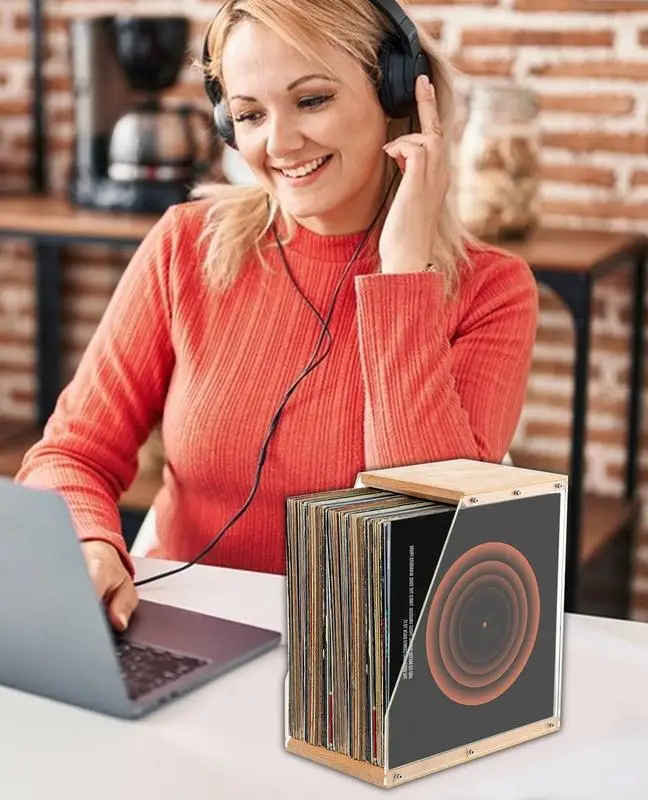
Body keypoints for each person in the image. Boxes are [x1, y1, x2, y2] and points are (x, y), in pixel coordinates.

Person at [15, 0, 539, 634]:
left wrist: (403, 277)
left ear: (396, 92)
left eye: (312, 100)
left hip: (363, 664)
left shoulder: (492, 291)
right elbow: (71, 454)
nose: (279, 144)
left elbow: (434, 541)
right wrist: (88, 545)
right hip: (181, 636)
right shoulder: (187, 243)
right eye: (249, 114)